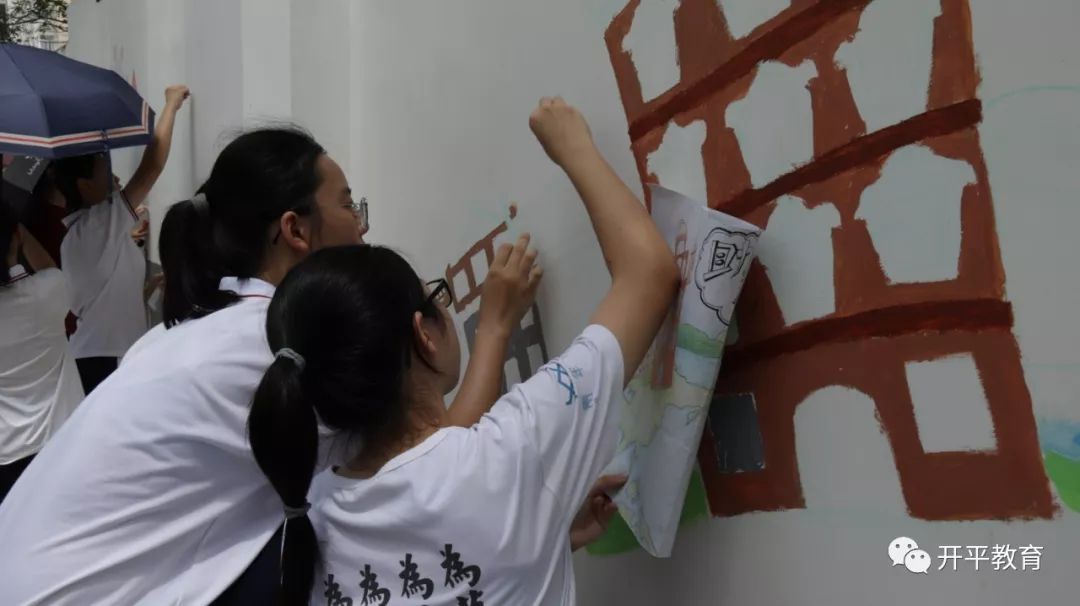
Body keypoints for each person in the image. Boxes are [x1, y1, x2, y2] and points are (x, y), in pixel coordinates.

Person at [0, 126, 545, 606]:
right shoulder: (280, 346)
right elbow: (431, 469)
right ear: (295, 230)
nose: (362, 229)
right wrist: (495, 327)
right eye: (349, 206)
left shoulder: (200, 326)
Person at [246, 98, 680, 605]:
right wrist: (573, 146)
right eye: (437, 295)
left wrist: (545, 542)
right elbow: (649, 273)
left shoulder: (315, 511)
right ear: (423, 334)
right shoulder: (511, 453)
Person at [53, 84, 190, 394]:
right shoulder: (95, 226)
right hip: (104, 359)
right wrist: (170, 105)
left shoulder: (86, 232)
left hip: (101, 355)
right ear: (84, 185)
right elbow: (151, 168)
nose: (114, 177)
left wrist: (148, 288)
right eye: (104, 170)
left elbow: (103, 298)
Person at [0, 202, 83, 502]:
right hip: (61, 441)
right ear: (15, 238)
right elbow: (49, 269)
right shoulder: (47, 291)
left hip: (6, 453)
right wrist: (18, 230)